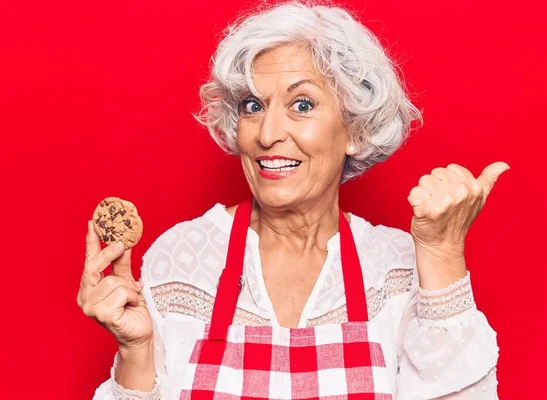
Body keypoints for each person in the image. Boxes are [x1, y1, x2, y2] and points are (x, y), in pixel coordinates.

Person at [78, 1, 508, 399]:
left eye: (302, 104)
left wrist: (443, 253)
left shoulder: (394, 269)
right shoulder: (183, 261)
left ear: (356, 131)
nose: (267, 135)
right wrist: (135, 351)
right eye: (252, 106)